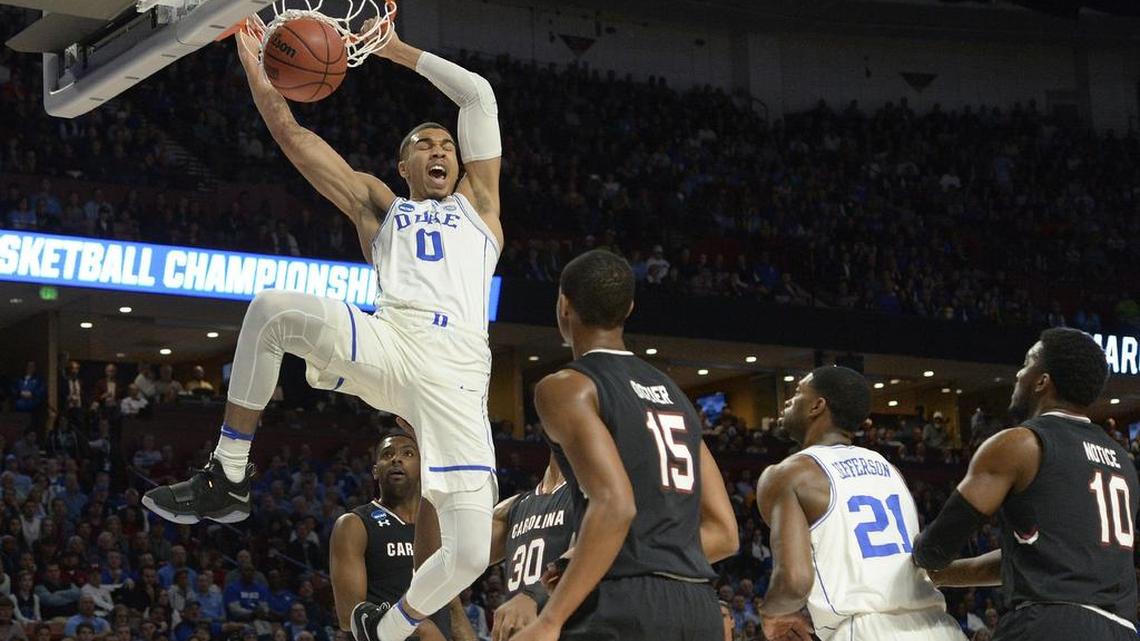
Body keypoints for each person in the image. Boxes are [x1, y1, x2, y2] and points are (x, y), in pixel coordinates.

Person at [146, 19, 503, 641]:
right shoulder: (377, 206)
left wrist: (393, 50)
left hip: (461, 376)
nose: (440, 151)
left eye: (447, 144)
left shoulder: (482, 209)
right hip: (393, 340)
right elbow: (290, 132)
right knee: (273, 309)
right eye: (424, 144)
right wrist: (255, 61)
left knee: (469, 555)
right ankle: (228, 474)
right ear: (402, 164)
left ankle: (383, 631)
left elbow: (477, 95)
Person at [512, 250, 738, 641]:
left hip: (623, 606)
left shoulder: (567, 386)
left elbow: (615, 505)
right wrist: (593, 557)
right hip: (698, 607)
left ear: (564, 305)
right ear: (629, 308)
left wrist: (550, 619)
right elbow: (725, 533)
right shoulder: (676, 396)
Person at [914, 328, 1139, 640]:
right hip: (1121, 630)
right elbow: (1028, 561)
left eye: (1026, 363)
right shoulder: (1122, 460)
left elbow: (935, 549)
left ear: (1042, 381)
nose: (1018, 374)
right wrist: (938, 577)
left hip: (1050, 624)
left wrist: (913, 562)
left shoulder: (1020, 444)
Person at [755, 366, 964, 641]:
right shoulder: (890, 470)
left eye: (797, 393)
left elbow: (794, 581)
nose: (788, 401)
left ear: (817, 406)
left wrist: (771, 615)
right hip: (940, 626)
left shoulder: (788, 474)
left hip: (867, 630)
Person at [329, 432, 456, 641]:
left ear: (422, 467)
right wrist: (420, 627)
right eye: (387, 454)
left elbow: (453, 608)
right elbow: (350, 617)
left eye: (408, 453)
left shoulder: (442, 526)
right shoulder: (354, 524)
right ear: (375, 471)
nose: (397, 459)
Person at [487, 449, 574, 641]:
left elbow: (589, 554)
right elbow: (462, 555)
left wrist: (534, 594)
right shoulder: (514, 507)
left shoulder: (593, 496)